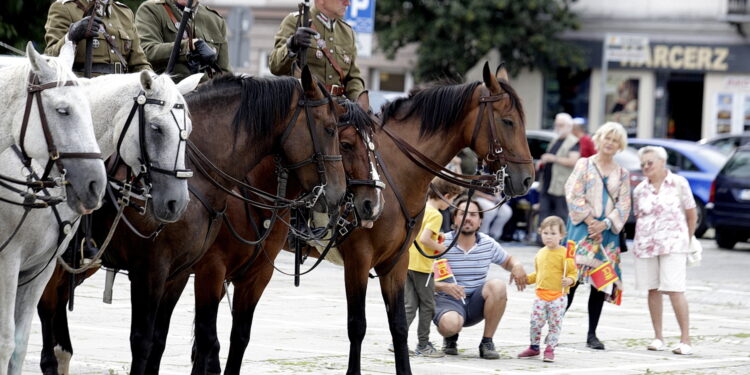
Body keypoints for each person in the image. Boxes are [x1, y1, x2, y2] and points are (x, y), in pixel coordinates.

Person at [564, 121, 631, 350]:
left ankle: (592, 334)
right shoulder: (584, 164)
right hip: (582, 230)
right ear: (599, 139)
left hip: (607, 236)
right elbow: (573, 193)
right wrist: (590, 220)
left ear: (620, 145)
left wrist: (605, 224)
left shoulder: (622, 174)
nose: (610, 143)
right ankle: (554, 327)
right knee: (571, 280)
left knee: (600, 284)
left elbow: (624, 205)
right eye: (607, 138)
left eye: (615, 140)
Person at [433, 198, 528, 360]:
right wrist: (443, 287)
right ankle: (450, 337)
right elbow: (419, 279)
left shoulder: (488, 244)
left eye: (473, 215)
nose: (468, 218)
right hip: (448, 301)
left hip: (476, 303)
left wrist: (517, 265)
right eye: (462, 213)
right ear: (454, 219)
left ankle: (487, 342)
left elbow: (508, 261)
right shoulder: (440, 243)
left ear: (480, 222)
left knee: (497, 285)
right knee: (450, 325)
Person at [632, 146, 696, 355]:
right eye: (643, 164)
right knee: (653, 289)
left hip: (674, 244)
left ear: (662, 162)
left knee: (675, 289)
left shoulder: (679, 183)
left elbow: (691, 213)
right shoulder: (640, 189)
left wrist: (687, 238)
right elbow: (637, 214)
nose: (646, 167)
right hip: (647, 244)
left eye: (650, 163)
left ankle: (685, 339)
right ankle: (658, 337)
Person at [402, 178, 463, 357]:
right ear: (445, 196)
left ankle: (398, 341)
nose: (451, 205)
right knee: (428, 306)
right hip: (423, 267)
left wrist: (437, 240)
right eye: (452, 200)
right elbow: (425, 239)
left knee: (409, 306)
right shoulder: (436, 214)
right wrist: (443, 248)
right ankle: (423, 344)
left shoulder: (421, 208)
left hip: (409, 263)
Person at [268, 0, 366, 102]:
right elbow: (275, 67)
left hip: (337, 107)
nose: (348, 3)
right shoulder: (296, 21)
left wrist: (360, 102)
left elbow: (353, 78)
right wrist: (292, 45)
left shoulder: (347, 32)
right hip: (304, 105)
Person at [518, 216, 577, 362]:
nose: (549, 237)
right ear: (540, 233)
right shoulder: (540, 253)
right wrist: (527, 279)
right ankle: (534, 347)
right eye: (545, 233)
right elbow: (539, 273)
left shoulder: (565, 254)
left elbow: (573, 273)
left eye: (553, 233)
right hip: (540, 295)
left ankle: (550, 348)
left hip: (558, 296)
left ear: (561, 235)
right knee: (535, 322)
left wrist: (569, 280)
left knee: (555, 324)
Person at [44, 0, 151, 76]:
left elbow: (139, 64)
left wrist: (156, 82)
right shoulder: (64, 8)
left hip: (121, 92)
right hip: (85, 90)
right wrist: (71, 37)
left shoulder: (125, 13)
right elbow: (50, 59)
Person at [135, 0, 231, 82]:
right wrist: (187, 46)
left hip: (205, 97)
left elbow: (224, 73)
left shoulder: (216, 20)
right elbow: (146, 52)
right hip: (168, 95)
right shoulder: (152, 9)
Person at [538, 113, 580, 226]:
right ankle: (541, 240)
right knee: (544, 213)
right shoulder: (555, 140)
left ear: (569, 126)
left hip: (561, 186)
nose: (557, 127)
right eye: (556, 125)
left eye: (561, 125)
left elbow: (574, 161)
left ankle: (561, 241)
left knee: (560, 214)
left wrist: (554, 158)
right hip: (547, 183)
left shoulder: (573, 142)